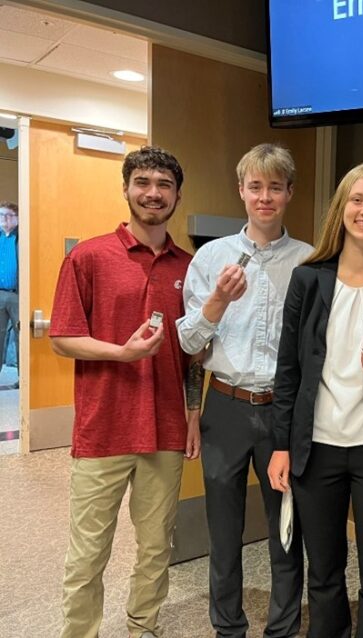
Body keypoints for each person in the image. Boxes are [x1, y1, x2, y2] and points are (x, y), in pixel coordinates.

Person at [49, 146, 201, 638]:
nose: (153, 193)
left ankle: (144, 628)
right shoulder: (88, 256)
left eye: (163, 185)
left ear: (177, 195)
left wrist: (194, 414)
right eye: (143, 182)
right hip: (102, 430)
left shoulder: (190, 265)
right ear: (127, 188)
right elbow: (63, 338)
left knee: (157, 546)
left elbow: (193, 355)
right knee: (89, 551)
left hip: (166, 430)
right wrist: (122, 354)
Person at [267, 162, 363, 638]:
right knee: (324, 574)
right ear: (341, 208)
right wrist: (281, 444)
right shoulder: (308, 279)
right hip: (316, 449)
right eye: (358, 199)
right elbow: (288, 370)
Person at [177, 143, 311, 638]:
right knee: (224, 529)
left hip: (283, 411)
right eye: (256, 186)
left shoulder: (310, 261)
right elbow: (189, 341)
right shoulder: (211, 258)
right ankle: (227, 627)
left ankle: (282, 629)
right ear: (241, 191)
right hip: (226, 406)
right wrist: (216, 300)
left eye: (275, 187)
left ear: (289, 193)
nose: (265, 197)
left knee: (285, 529)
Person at [0, 200, 19, 384]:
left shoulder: (21, 237)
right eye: (2, 215)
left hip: (18, 295)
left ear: (17, 218)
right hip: (0, 293)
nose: (5, 219)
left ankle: (23, 379)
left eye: (10, 215)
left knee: (21, 337)